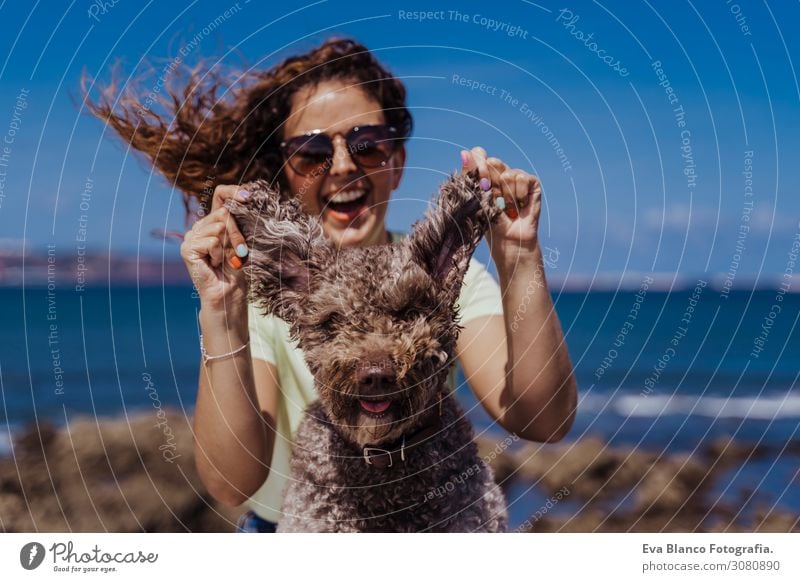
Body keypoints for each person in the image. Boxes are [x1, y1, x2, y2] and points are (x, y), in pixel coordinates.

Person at [85, 37, 577, 532]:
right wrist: (221, 310)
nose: (342, 165)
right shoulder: (261, 293)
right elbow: (231, 484)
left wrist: (518, 256)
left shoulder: (447, 277)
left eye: (366, 145)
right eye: (312, 150)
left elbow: (543, 420)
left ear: (397, 162)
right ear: (287, 172)